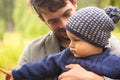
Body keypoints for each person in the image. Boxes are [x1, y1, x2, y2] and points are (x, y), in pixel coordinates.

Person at [0, 6, 120, 80]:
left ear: (96, 41)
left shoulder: (112, 61)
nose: (70, 45)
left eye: (76, 40)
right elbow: (42, 66)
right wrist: (16, 73)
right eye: (53, 20)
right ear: (43, 19)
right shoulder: (66, 55)